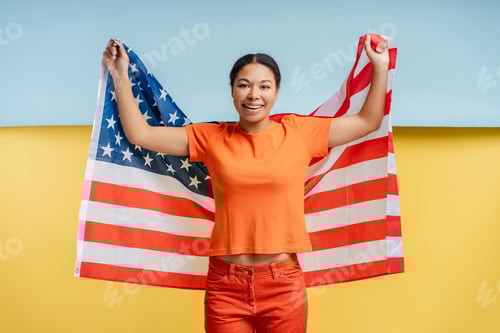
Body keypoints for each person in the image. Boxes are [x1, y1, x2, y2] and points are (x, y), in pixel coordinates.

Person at [102, 35, 389, 333]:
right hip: (225, 284)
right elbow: (141, 135)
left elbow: (368, 120)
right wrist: (120, 75)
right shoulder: (211, 137)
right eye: (244, 85)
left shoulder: (301, 133)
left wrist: (380, 66)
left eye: (264, 86)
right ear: (232, 91)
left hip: (282, 282)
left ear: (276, 92)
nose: (254, 95)